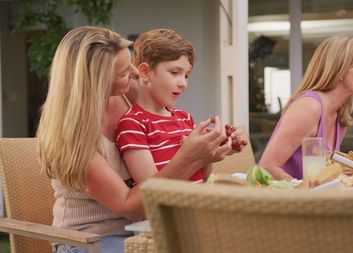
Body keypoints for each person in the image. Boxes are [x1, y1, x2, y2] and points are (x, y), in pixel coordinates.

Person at [36, 26, 234, 253]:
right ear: (96, 80)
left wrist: (206, 151)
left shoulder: (127, 95)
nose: (133, 73)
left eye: (130, 65)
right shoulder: (69, 134)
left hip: (145, 230)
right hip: (90, 240)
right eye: (122, 72)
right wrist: (190, 156)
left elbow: (166, 146)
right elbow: (130, 207)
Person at [258, 35, 353, 180]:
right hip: (287, 198)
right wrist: (305, 194)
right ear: (340, 69)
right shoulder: (309, 107)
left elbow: (323, 173)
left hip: (315, 198)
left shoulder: (340, 115)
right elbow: (267, 167)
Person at [115, 28, 214, 184]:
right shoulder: (133, 125)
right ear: (146, 72)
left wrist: (207, 155)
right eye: (175, 72)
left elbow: (204, 178)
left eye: (186, 75)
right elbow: (150, 189)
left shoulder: (185, 118)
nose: (183, 84)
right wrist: (190, 154)